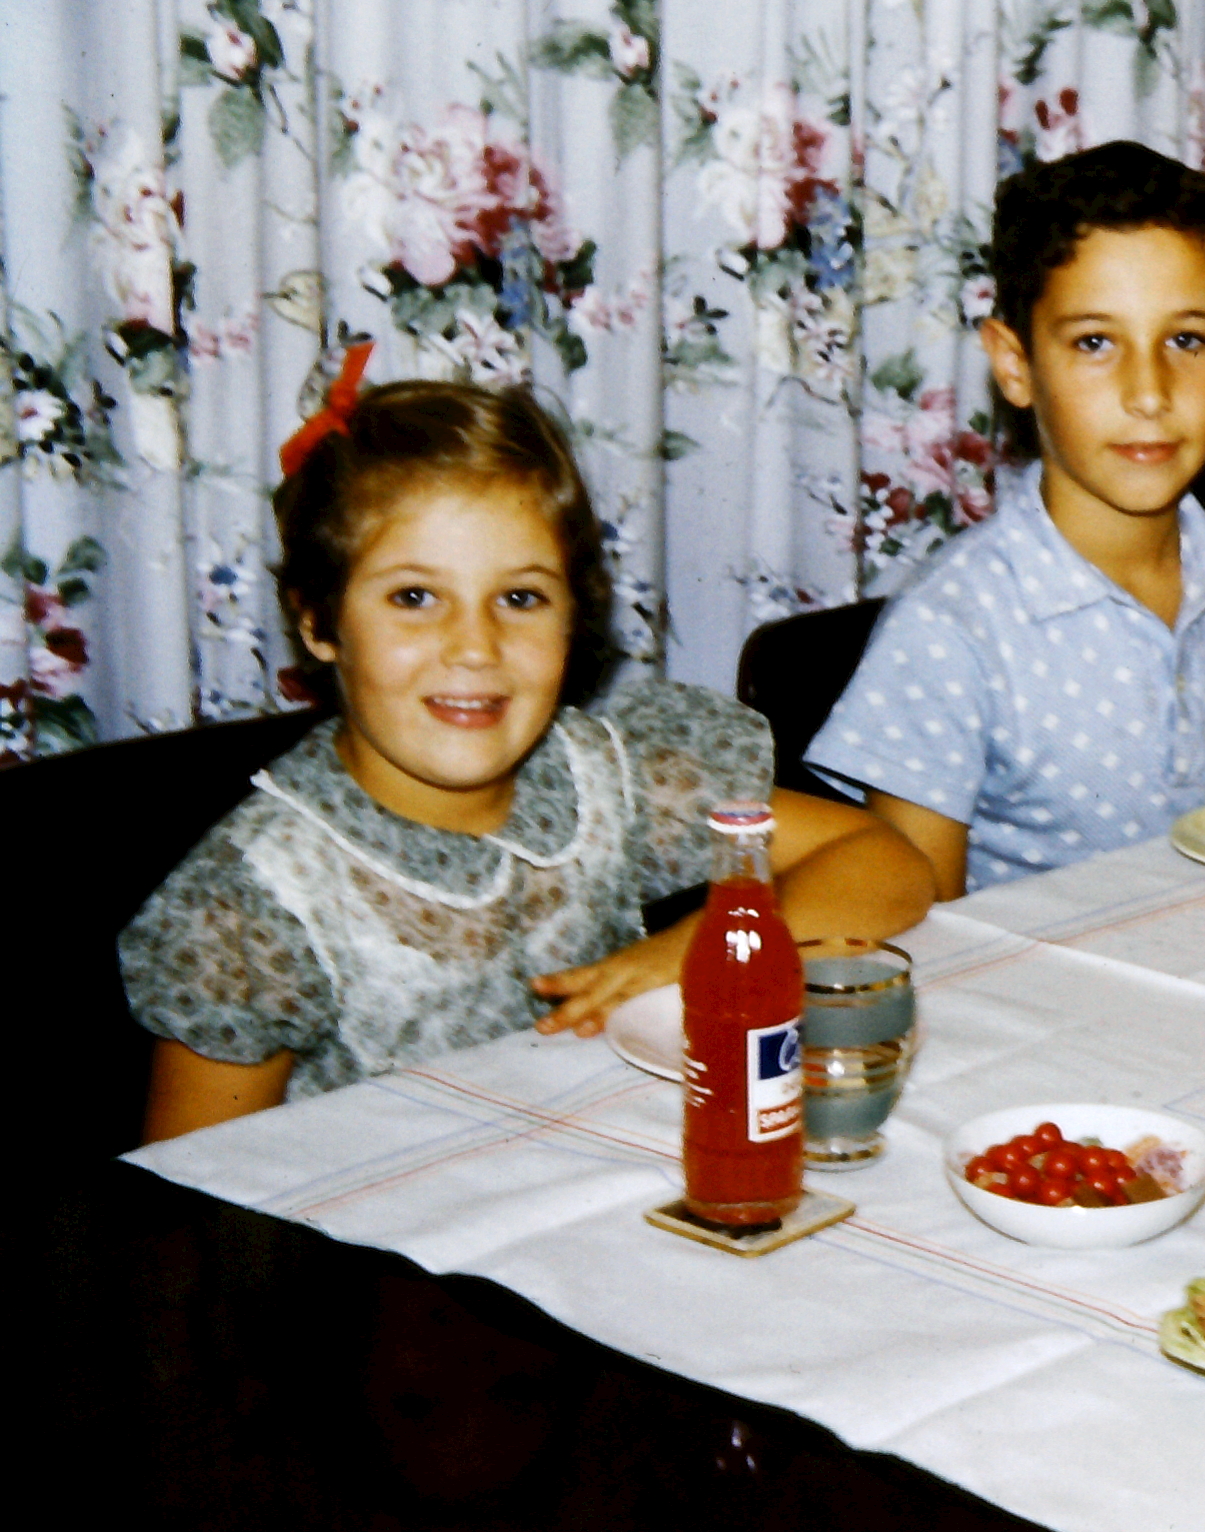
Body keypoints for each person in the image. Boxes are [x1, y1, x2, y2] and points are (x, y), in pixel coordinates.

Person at [121, 373, 934, 1141]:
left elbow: (886, 862)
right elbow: (191, 1190)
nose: (475, 646)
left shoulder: (602, 777)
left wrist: (704, 948)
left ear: (574, 618)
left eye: (520, 598)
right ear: (319, 623)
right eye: (414, 597)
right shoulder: (254, 905)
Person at [804, 142, 1205, 897]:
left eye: (1186, 340)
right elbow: (924, 932)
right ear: (1015, 364)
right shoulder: (951, 629)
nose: (1148, 393)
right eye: (1095, 343)